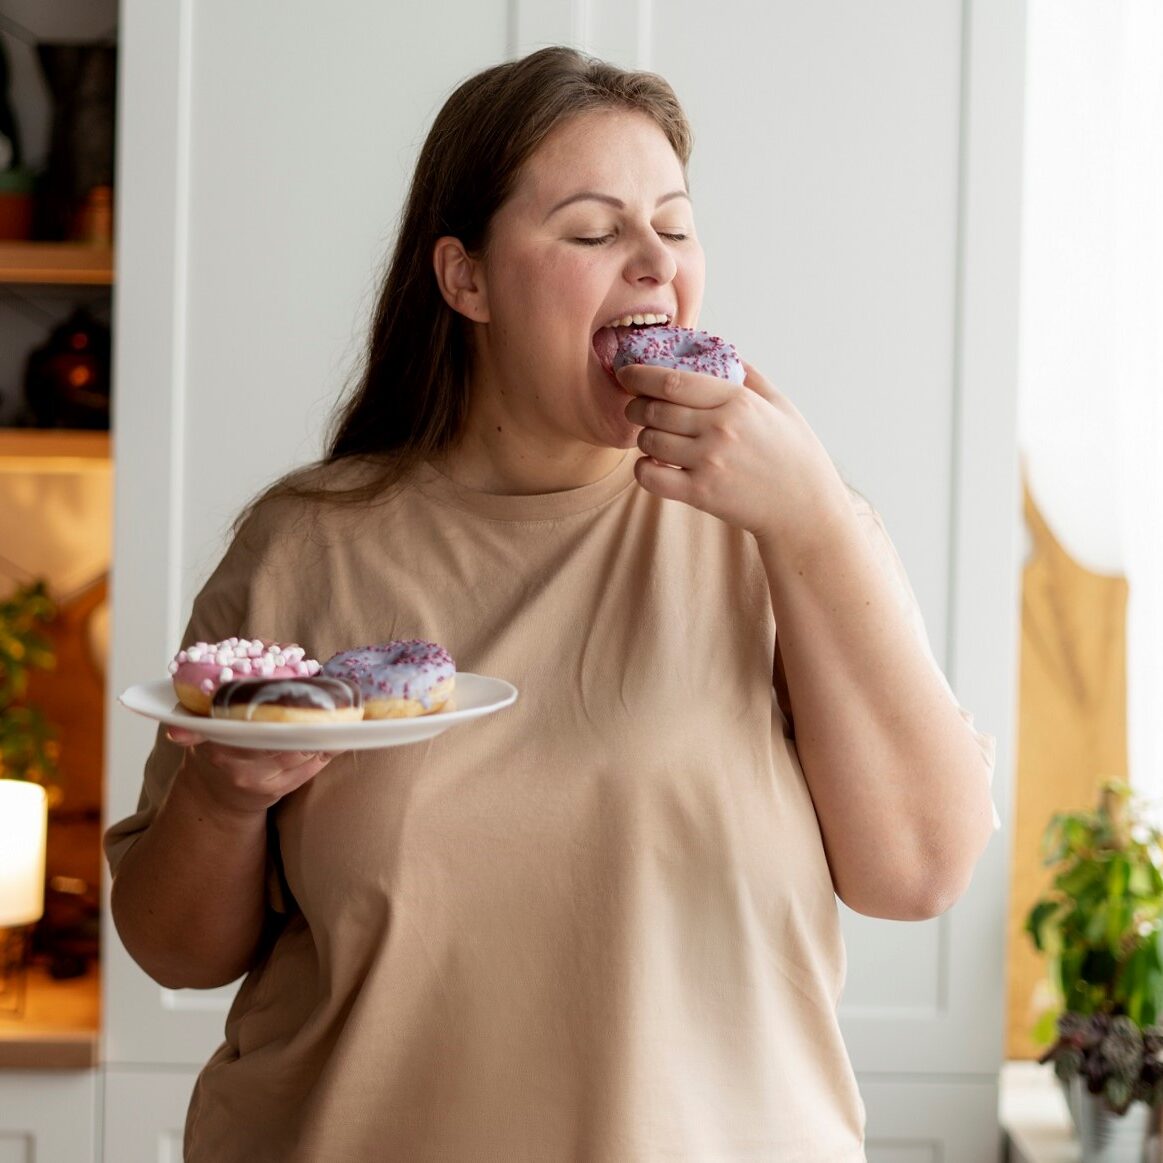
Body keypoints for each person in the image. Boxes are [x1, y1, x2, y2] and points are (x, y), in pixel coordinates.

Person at [105, 45, 997, 1161]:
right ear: (463, 277)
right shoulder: (309, 543)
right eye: (590, 231)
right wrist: (225, 797)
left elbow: (919, 871)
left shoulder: (780, 526)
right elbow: (174, 947)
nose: (651, 266)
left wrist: (812, 522)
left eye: (672, 228)